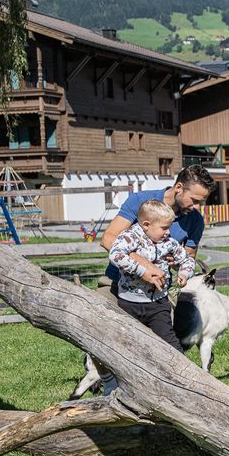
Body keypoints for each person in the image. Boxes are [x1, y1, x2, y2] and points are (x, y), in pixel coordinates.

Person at [92, 165, 216, 392]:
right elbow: (109, 240)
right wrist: (145, 265)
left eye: (202, 202)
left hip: (157, 291)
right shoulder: (141, 202)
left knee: (162, 344)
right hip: (118, 283)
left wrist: (177, 265)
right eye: (195, 200)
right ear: (179, 188)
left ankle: (164, 391)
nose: (198, 207)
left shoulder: (195, 220)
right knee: (94, 324)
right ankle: (110, 383)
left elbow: (188, 256)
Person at [107, 199, 195, 353]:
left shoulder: (169, 242)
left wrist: (184, 272)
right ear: (146, 225)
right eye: (164, 228)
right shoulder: (130, 237)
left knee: (169, 343)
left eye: (169, 227)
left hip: (158, 304)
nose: (168, 232)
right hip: (129, 303)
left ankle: (181, 372)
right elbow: (115, 255)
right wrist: (142, 271)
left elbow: (187, 259)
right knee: (129, 345)